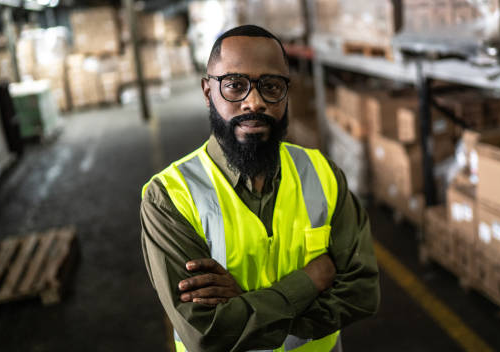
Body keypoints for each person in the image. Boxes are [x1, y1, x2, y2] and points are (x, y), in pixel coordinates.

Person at [140, 25, 380, 352]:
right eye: (235, 85)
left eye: (271, 86)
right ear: (207, 91)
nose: (254, 102)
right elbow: (207, 333)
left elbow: (362, 293)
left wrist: (245, 310)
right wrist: (309, 282)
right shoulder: (169, 198)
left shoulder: (321, 173)